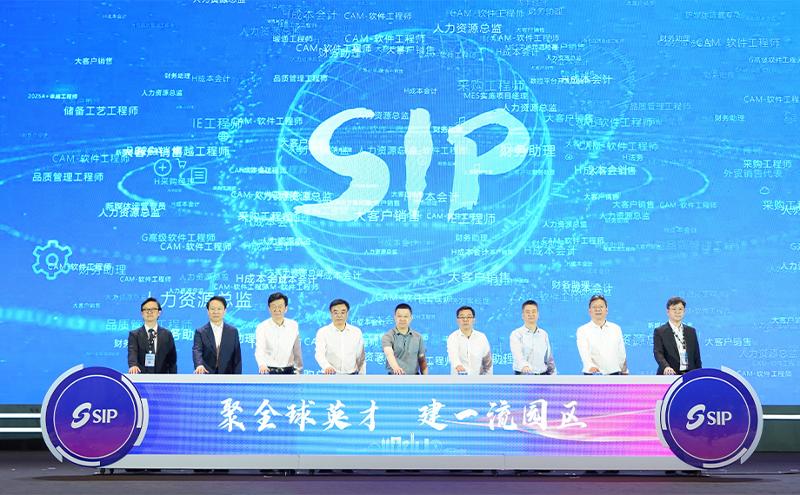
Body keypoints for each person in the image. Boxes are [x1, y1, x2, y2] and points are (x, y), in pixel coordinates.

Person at [576, 294, 628, 375]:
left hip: (614, 374)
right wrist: (590, 366)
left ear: (606, 310)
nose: (598, 309)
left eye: (601, 307)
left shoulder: (616, 328)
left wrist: (624, 371)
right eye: (594, 307)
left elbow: (621, 353)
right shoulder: (582, 330)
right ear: (589, 311)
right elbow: (584, 352)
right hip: (592, 375)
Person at [255, 292, 303, 374]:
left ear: (286, 308)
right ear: (269, 308)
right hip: (268, 370)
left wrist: (299, 370)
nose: (277, 309)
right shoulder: (262, 327)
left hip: (290, 371)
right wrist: (262, 365)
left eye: (280, 306)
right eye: (274, 306)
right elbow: (259, 349)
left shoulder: (293, 325)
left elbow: (297, 350)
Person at [193, 295, 242, 374]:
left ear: (224, 311)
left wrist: (237, 377)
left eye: (219, 309)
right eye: (212, 309)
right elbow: (197, 350)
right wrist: (199, 365)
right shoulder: (200, 332)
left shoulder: (233, 332)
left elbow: (237, 358)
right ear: (208, 311)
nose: (216, 312)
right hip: (206, 374)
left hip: (228, 375)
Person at [315, 299, 366, 374]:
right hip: (330, 375)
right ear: (330, 313)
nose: (339, 315)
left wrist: (362, 375)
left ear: (347, 313)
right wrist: (327, 366)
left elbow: (361, 357)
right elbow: (319, 354)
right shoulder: (323, 332)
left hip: (352, 375)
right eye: (335, 312)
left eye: (343, 312)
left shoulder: (356, 332)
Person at [653, 296, 702, 375]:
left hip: (689, 375)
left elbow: (696, 356)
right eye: (674, 309)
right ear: (668, 312)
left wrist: (699, 374)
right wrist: (666, 367)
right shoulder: (660, 331)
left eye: (680, 309)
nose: (677, 312)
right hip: (669, 375)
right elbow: (658, 353)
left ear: (684, 311)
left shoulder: (691, 331)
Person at [127, 297, 177, 374]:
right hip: (141, 377)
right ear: (142, 313)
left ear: (159, 313)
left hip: (163, 377)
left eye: (153, 309)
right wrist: (133, 365)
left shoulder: (167, 334)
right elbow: (132, 352)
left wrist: (173, 378)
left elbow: (172, 360)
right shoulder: (134, 335)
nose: (149, 312)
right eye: (146, 309)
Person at [510, 300, 556, 375]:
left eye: (533, 312)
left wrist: (553, 375)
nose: (531, 314)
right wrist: (525, 366)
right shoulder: (516, 334)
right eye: (527, 312)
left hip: (542, 376)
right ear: (522, 316)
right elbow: (517, 355)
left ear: (538, 315)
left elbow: (549, 358)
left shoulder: (543, 334)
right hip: (523, 376)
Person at [382, 303, 428, 375]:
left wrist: (426, 378)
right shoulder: (388, 336)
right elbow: (389, 353)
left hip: (414, 378)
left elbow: (422, 360)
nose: (402, 319)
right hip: (394, 377)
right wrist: (396, 368)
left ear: (411, 318)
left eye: (406, 316)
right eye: (399, 316)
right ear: (394, 317)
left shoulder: (418, 337)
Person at [446, 305, 492, 375]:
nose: (465, 319)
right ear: (457, 320)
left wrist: (489, 377)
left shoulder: (481, 337)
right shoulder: (453, 337)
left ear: (474, 320)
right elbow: (453, 355)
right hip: (459, 378)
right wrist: (458, 366)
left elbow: (487, 361)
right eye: (462, 317)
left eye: (469, 317)